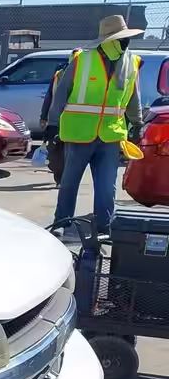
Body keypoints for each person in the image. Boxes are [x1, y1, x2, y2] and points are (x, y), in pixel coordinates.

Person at [47, 15, 144, 237]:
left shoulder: (132, 63)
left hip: (110, 136)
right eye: (121, 40)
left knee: (106, 187)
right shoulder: (82, 60)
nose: (125, 44)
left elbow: (133, 98)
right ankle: (62, 222)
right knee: (69, 183)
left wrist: (137, 124)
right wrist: (53, 124)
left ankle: (104, 226)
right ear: (108, 41)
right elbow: (61, 92)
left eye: (126, 39)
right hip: (79, 134)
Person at [39, 50, 80, 186]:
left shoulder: (84, 77)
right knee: (57, 152)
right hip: (58, 121)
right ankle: (60, 177)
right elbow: (50, 96)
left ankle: (63, 178)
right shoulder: (59, 75)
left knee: (66, 153)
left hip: (71, 121)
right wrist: (44, 116)